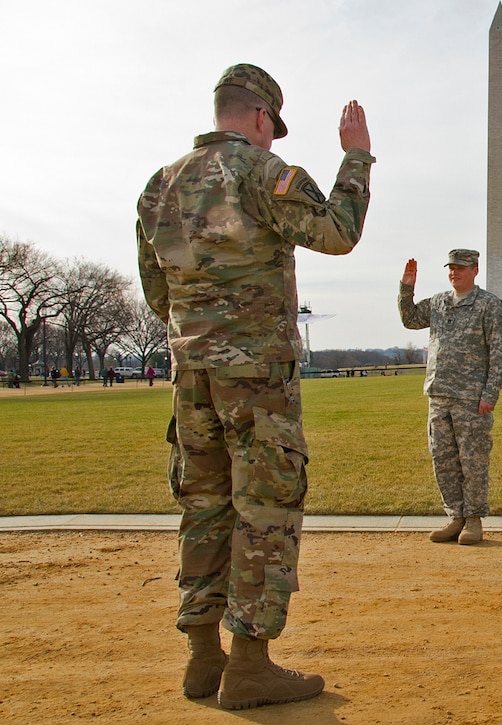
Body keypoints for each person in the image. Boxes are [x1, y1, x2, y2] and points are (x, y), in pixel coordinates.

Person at [136, 63, 374, 710]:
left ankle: (201, 654)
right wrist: (356, 156)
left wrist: (203, 334)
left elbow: (157, 290)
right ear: (263, 118)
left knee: (204, 504)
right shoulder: (265, 173)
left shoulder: (161, 186)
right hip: (257, 377)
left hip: (193, 374)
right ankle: (248, 663)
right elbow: (337, 232)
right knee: (265, 507)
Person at [398, 249, 502, 545]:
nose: (454, 272)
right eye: (451, 267)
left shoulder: (488, 305)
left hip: (471, 399)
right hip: (439, 395)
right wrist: (406, 289)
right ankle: (455, 516)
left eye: (461, 267)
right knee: (443, 460)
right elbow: (410, 320)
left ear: (474, 270)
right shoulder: (439, 302)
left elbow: (500, 353)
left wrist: (490, 393)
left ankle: (473, 519)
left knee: (472, 461)